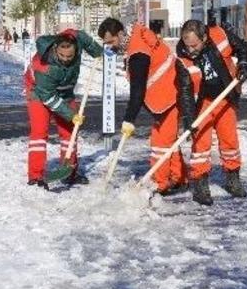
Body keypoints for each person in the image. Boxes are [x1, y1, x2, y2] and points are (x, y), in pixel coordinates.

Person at [98, 17, 189, 195]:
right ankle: (178, 177)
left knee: (160, 143)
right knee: (169, 139)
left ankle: (161, 183)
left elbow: (137, 90)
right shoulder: (136, 40)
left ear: (121, 34)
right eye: (106, 43)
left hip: (168, 94)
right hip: (169, 91)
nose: (110, 46)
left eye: (112, 41)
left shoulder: (138, 53)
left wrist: (129, 119)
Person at [175, 19, 247, 206]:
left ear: (204, 38)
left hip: (226, 97)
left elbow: (242, 48)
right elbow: (185, 91)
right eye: (187, 45)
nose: (190, 50)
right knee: (201, 143)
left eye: (194, 45)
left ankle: (233, 178)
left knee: (229, 140)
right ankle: (200, 183)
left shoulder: (220, 36)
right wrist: (189, 119)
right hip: (203, 102)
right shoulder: (182, 58)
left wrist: (243, 64)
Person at [24, 29, 103, 189]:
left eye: (70, 56)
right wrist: (70, 114)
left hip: (65, 91)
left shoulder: (76, 40)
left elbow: (84, 39)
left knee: (70, 132)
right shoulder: (44, 67)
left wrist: (97, 51)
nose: (66, 59)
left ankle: (69, 171)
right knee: (39, 133)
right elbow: (48, 97)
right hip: (38, 92)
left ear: (75, 49)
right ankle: (36, 175)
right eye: (62, 56)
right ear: (55, 48)